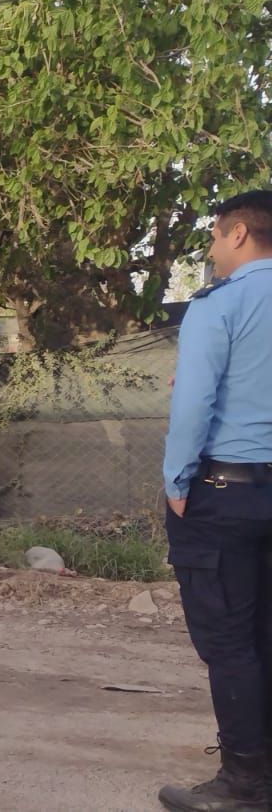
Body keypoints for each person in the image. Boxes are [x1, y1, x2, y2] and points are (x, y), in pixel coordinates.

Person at [159, 189, 272, 812]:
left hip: (224, 495)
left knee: (230, 641)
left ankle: (245, 783)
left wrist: (177, 481)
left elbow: (194, 402)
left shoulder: (218, 307)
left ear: (236, 234)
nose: (210, 250)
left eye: (212, 237)